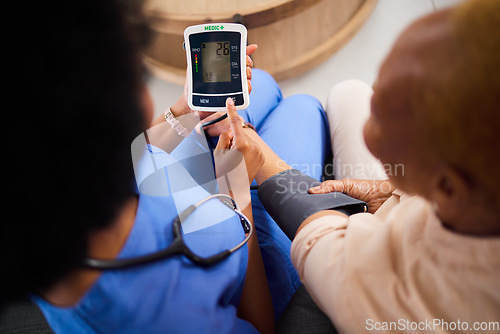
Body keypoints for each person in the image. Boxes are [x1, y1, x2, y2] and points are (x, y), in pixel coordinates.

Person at [1, 0, 332, 332]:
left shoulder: (45, 181)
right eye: (138, 77)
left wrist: (184, 110)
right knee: (303, 108)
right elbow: (258, 325)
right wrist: (237, 190)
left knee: (257, 82)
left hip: (192, 188)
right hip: (247, 248)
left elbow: (136, 154)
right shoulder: (170, 318)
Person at [251, 0, 500, 332]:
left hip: (347, 276)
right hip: (395, 221)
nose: (368, 130)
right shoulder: (472, 192)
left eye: (383, 122)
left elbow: (324, 251)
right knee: (347, 93)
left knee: (302, 106)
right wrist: (393, 194)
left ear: (447, 189)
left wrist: (261, 160)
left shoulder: (443, 296)